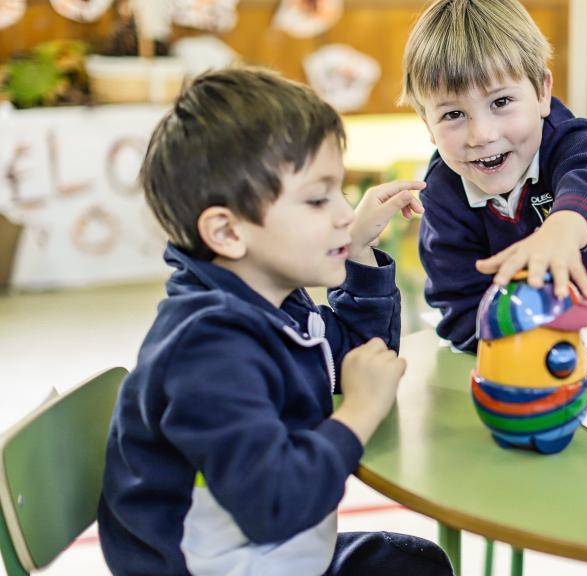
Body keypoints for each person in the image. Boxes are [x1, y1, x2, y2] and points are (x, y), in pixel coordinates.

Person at [97, 68, 452, 576]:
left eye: (340, 192)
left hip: (281, 554)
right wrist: (359, 412)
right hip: (224, 565)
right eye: (317, 198)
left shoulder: (271, 300)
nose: (342, 213)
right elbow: (273, 507)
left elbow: (359, 359)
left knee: (414, 565)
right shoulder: (207, 351)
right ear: (227, 231)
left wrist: (358, 251)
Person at [399, 0, 587, 383]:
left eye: (501, 102)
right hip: (525, 323)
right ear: (427, 123)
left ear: (542, 92)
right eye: (453, 114)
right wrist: (534, 345)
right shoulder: (442, 194)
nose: (482, 135)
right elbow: (461, 308)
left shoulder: (568, 138)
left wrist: (562, 231)